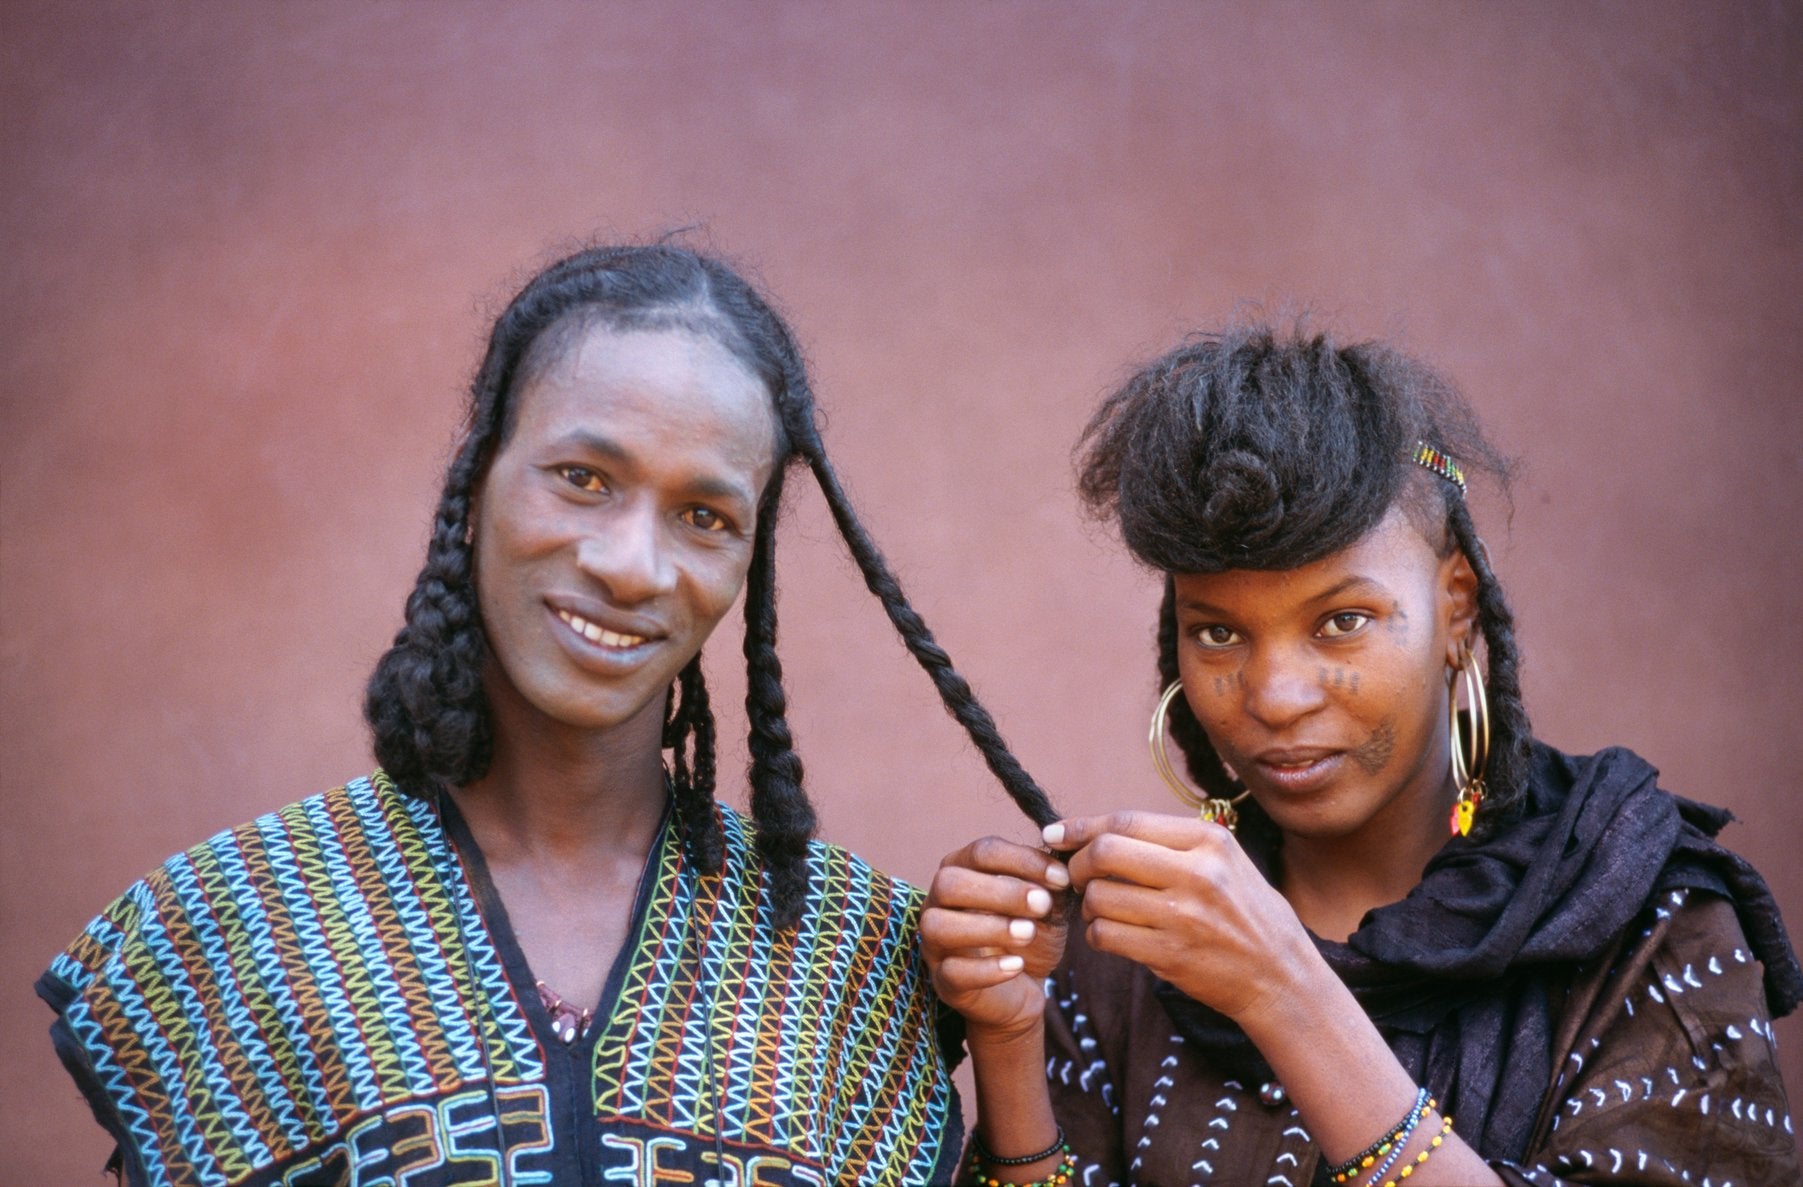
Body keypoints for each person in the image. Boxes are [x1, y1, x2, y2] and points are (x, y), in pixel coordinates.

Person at [39, 243, 1057, 1187]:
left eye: (703, 515)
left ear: (747, 561)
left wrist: (1009, 1047)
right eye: (583, 478)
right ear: (479, 477)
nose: (631, 564)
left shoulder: (854, 955)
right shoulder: (234, 925)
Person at [923, 323, 1801, 1186]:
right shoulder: (1126, 946)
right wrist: (1007, 1043)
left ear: (1457, 607)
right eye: (1218, 632)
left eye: (1342, 620)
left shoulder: (1641, 916)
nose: (1274, 696)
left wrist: (1285, 993)